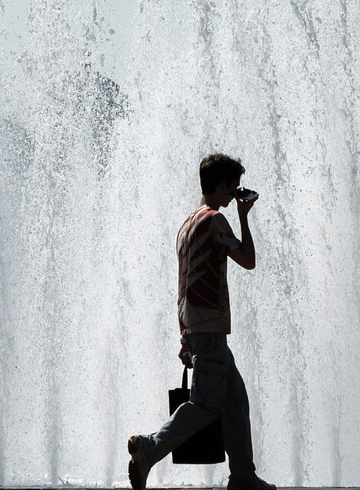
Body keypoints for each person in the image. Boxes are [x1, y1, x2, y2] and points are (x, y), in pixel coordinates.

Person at [127, 153, 274, 490]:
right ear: (221, 185)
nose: (234, 194)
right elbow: (248, 261)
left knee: (235, 399)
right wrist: (243, 216)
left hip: (195, 326)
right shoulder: (215, 221)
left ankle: (243, 476)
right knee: (205, 404)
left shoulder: (187, 223)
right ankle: (150, 447)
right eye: (232, 188)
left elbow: (183, 282)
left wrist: (185, 336)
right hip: (209, 328)